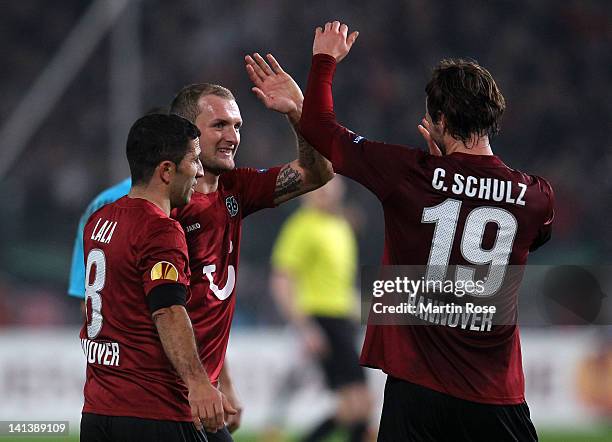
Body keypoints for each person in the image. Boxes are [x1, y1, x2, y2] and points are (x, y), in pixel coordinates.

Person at [299, 21, 554, 441]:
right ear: (493, 117)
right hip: (494, 397)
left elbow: (318, 127)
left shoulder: (406, 174)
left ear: (438, 119)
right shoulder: (536, 196)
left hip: (416, 394)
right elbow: (527, 236)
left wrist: (324, 60)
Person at [169, 53, 334, 441]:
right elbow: (166, 311)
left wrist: (298, 112)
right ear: (185, 133)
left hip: (198, 391)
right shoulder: (164, 206)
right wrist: (197, 382)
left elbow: (318, 172)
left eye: (237, 125)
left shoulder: (235, 188)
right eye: (219, 125)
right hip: (165, 395)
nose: (233, 136)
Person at [80, 114, 236, 441]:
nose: (199, 171)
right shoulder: (160, 229)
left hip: (98, 410)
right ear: (166, 170)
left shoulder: (99, 221)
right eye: (193, 161)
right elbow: (167, 310)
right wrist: (198, 384)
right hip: (154, 411)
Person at [270, 177, 372, 442]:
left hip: (343, 320)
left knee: (353, 407)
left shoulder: (341, 226)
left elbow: (343, 281)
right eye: (320, 187)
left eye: (331, 186)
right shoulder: (301, 227)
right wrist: (305, 328)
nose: (326, 192)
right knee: (359, 402)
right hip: (322, 319)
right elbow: (281, 281)